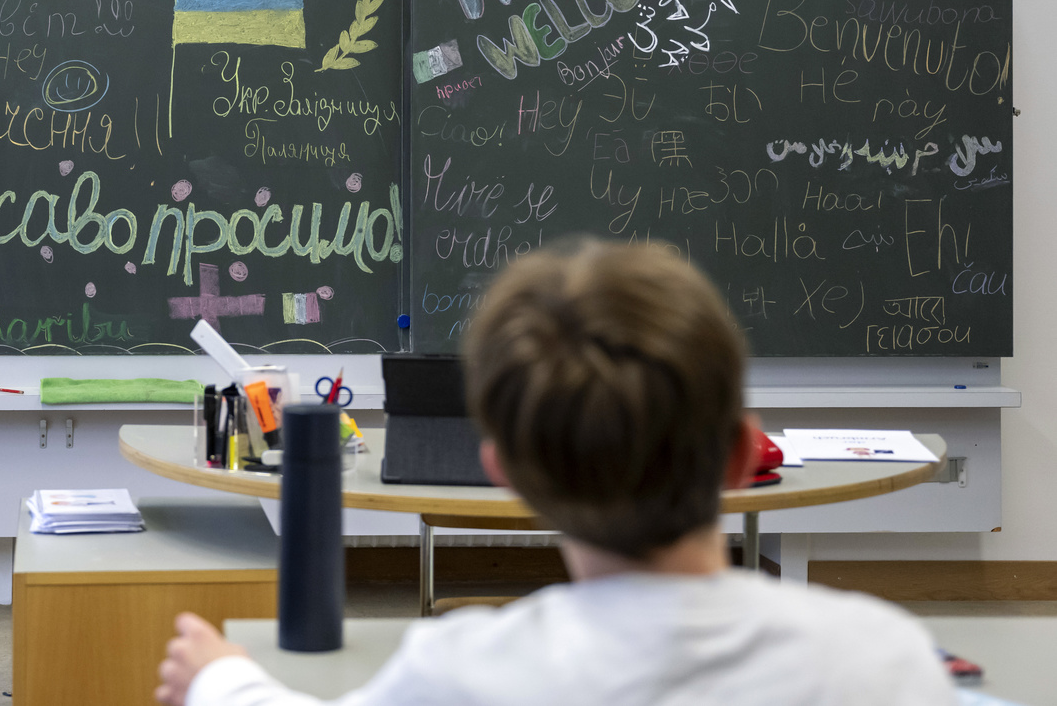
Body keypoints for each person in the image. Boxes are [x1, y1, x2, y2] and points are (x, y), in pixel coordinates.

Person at [156, 240, 957, 706]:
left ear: (509, 473)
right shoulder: (885, 657)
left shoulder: (466, 670)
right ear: (745, 454)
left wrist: (219, 677)